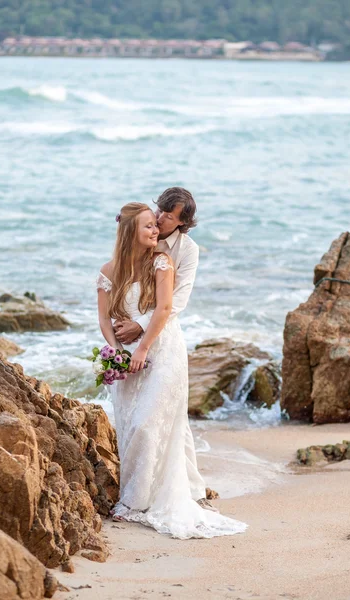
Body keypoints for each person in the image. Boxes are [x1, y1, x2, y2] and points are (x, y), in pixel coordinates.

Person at [96, 200, 247, 539]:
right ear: (129, 231)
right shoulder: (108, 270)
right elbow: (104, 318)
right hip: (129, 353)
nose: (158, 225)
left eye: (162, 220)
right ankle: (143, 492)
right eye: (151, 221)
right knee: (132, 425)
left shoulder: (171, 258)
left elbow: (168, 307)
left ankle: (137, 502)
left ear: (182, 222)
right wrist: (117, 352)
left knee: (151, 422)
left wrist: (144, 344)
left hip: (162, 349)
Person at [114, 187, 212, 511]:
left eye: (169, 216)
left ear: (182, 222)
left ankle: (186, 491)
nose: (160, 218)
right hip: (136, 339)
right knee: (143, 417)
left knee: (169, 417)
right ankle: (169, 488)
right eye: (160, 210)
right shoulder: (146, 234)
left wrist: (141, 327)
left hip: (165, 339)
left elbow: (176, 302)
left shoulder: (187, 250)